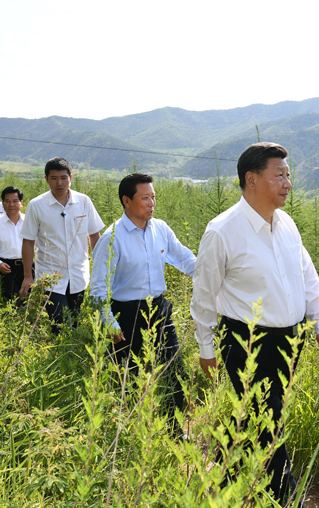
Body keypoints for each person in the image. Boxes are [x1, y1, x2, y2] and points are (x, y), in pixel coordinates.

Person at [190, 142, 319, 504]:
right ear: (252, 179)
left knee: (261, 414)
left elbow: (307, 275)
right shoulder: (222, 231)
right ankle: (284, 497)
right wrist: (206, 349)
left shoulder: (287, 224)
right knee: (267, 420)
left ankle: (225, 481)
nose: (288, 183)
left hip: (290, 340)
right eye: (280, 175)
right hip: (246, 340)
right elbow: (204, 296)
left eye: (288, 175)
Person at [90, 173, 196, 434]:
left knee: (174, 368)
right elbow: (98, 288)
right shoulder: (111, 238)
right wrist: (109, 323)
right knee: (130, 377)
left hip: (159, 310)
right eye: (145, 198)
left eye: (154, 197)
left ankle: (174, 430)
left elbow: (185, 259)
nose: (152, 203)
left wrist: (214, 274)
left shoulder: (160, 229)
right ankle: (130, 434)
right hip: (125, 316)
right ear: (127, 201)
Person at [19, 157, 104, 333]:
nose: (59, 183)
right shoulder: (37, 205)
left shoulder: (84, 201)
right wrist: (28, 276)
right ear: (46, 179)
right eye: (54, 178)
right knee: (60, 324)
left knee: (75, 322)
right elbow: (28, 242)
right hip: (50, 277)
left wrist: (101, 267)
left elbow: (94, 235)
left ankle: (69, 356)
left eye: (63, 178)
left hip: (79, 275)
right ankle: (59, 353)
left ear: (70, 178)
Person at [0, 186, 31, 301]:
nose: (11, 205)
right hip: (6, 267)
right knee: (11, 302)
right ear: (2, 203)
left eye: (15, 201)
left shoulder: (29, 222)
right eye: (7, 201)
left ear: (21, 203)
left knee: (30, 301)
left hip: (28, 267)